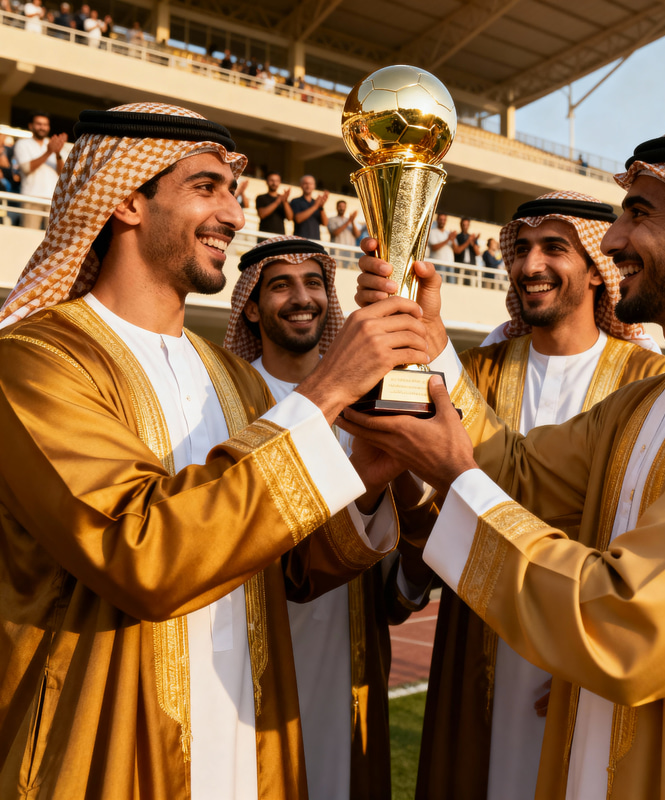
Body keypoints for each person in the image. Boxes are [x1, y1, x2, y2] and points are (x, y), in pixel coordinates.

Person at [345, 121, 665, 799]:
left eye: (639, 214)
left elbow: (632, 625)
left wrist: (455, 474)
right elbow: (519, 474)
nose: (613, 240)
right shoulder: (645, 403)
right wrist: (429, 343)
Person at [0, 102, 432, 799]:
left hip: (249, 734)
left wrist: (369, 476)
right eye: (207, 187)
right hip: (109, 743)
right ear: (127, 200)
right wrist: (322, 392)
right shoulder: (36, 363)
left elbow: (289, 568)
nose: (234, 214)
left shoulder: (232, 379)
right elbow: (141, 553)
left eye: (235, 191)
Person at [410, 192, 665, 800]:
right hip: (477, 633)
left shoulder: (649, 381)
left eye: (556, 248)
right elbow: (434, 494)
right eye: (521, 248)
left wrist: (598, 654)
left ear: (596, 268)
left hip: (590, 644)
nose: (531, 266)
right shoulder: (474, 370)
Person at [225, 236, 425, 799]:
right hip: (255, 629)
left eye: (313, 283)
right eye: (281, 285)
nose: (301, 298)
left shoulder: (367, 395)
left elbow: (412, 515)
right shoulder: (229, 396)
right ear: (250, 304)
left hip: (349, 625)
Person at [13, 112, 67, 230]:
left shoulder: (54, 144)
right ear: (31, 126)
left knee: (51, 241)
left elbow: (64, 174)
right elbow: (26, 168)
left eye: (45, 124)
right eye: (39, 124)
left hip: (53, 201)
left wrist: (57, 153)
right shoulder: (22, 144)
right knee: (28, 237)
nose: (42, 127)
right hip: (31, 198)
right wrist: (48, 152)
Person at [290, 175, 328, 240]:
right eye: (306, 183)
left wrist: (321, 207)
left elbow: (325, 223)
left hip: (315, 241)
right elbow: (298, 219)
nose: (308, 186)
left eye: (311, 184)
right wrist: (315, 206)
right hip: (299, 240)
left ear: (314, 186)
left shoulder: (316, 202)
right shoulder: (296, 201)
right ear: (301, 185)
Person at [327, 199, 361, 269]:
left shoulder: (351, 220)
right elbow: (334, 233)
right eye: (340, 206)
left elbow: (357, 235)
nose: (342, 208)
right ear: (336, 207)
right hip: (336, 255)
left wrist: (352, 221)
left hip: (349, 255)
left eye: (343, 206)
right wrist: (349, 221)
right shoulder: (331, 219)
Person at [426, 212, 456, 282]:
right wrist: (448, 239)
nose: (442, 221)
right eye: (440, 219)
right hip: (439, 264)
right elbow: (434, 247)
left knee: (451, 286)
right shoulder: (432, 232)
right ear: (437, 220)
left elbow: (456, 250)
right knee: (440, 284)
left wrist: (453, 239)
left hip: (450, 263)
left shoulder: (448, 233)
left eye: (444, 220)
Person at [453, 217, 481, 285]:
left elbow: (478, 253)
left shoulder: (472, 238)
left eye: (466, 225)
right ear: (460, 225)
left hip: (471, 266)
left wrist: (474, 242)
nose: (465, 227)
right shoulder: (457, 237)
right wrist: (468, 241)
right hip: (460, 266)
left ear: (469, 226)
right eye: (463, 225)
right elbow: (457, 250)